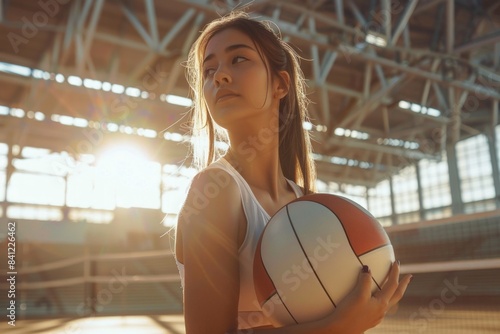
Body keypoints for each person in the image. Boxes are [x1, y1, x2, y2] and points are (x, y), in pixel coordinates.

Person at [174, 11, 412, 334]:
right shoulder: (214, 190)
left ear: (280, 84)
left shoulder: (308, 203)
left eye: (239, 59)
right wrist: (339, 325)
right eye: (209, 69)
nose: (219, 77)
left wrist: (368, 301)